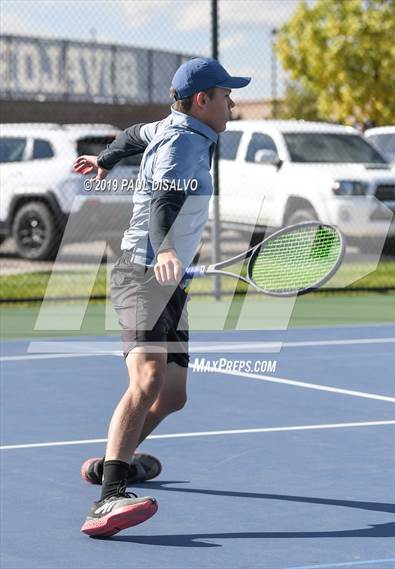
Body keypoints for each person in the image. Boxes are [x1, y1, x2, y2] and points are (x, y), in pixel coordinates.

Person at [73, 57, 251, 537]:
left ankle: (117, 461)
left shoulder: (172, 128)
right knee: (149, 378)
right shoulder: (183, 143)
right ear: (202, 100)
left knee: (172, 397)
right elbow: (163, 200)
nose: (232, 104)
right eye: (226, 95)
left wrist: (105, 159)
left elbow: (133, 135)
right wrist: (168, 248)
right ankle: (108, 498)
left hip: (171, 282)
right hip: (142, 274)